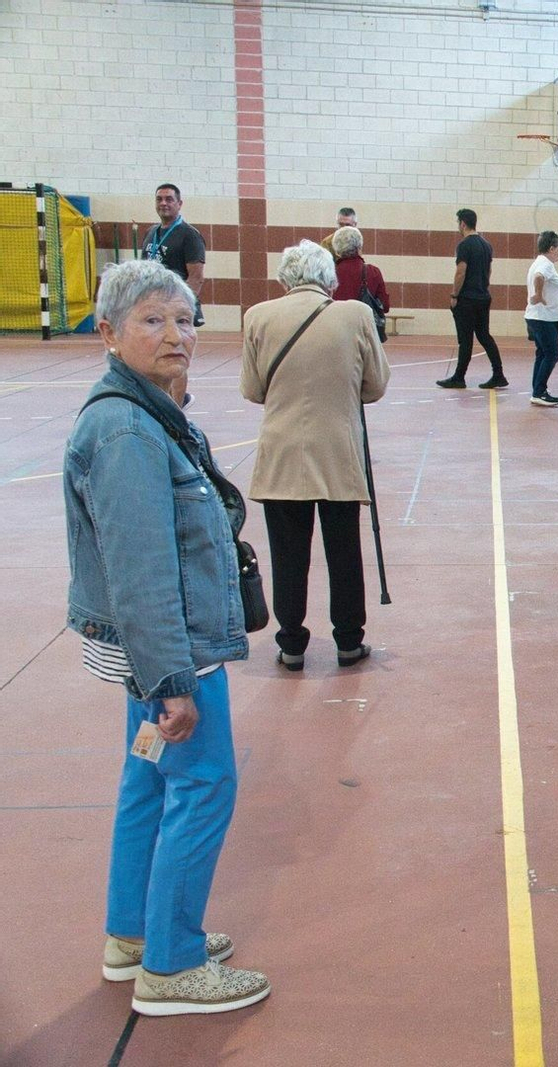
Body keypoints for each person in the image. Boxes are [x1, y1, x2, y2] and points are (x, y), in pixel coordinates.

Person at [65, 259, 269, 1015]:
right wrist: (172, 682)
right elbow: (142, 570)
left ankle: (134, 934)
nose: (176, 335)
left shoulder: (146, 410)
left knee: (148, 777)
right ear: (109, 332)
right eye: (153, 320)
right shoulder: (125, 430)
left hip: (156, 646)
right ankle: (174, 964)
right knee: (204, 780)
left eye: (185, 319)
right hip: (169, 648)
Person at [241, 241, 390, 670]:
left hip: (282, 453)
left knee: (288, 555)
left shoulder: (258, 316)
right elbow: (376, 387)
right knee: (344, 551)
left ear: (284, 279)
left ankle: (291, 645)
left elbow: (252, 390)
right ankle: (348, 640)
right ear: (329, 278)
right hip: (338, 451)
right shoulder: (357, 315)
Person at [437, 208, 507, 390]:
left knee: (465, 340)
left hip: (467, 299)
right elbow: (489, 271)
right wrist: (482, 286)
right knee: (484, 336)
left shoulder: (464, 245)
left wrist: (454, 295)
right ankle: (498, 374)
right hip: (483, 297)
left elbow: (461, 271)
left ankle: (459, 378)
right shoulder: (486, 245)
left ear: (462, 223)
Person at [142, 183, 206, 327]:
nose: (163, 203)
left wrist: (180, 307)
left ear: (179, 204)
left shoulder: (189, 235)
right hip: (152, 306)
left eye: (169, 199)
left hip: (174, 308)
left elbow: (196, 277)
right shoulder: (150, 232)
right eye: (159, 199)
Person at [525, 230, 558, 408]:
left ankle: (538, 390)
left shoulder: (541, 262)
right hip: (542, 317)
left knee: (543, 353)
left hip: (540, 317)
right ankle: (539, 391)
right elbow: (539, 277)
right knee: (553, 353)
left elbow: (545, 282)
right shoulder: (546, 264)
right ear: (551, 248)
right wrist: (537, 294)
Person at [329, 226, 390, 324]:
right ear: (359, 247)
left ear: (337, 250)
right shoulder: (373, 272)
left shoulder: (329, 274)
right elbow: (385, 306)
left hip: (336, 329)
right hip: (364, 330)